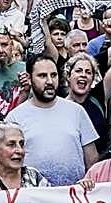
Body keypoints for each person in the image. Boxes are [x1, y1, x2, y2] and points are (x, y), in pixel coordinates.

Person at [6, 53, 99, 186]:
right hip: (33, 199)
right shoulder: (15, 117)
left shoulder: (76, 111)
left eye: (53, 75)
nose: (50, 81)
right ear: (30, 78)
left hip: (73, 196)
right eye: (42, 76)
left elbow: (92, 159)